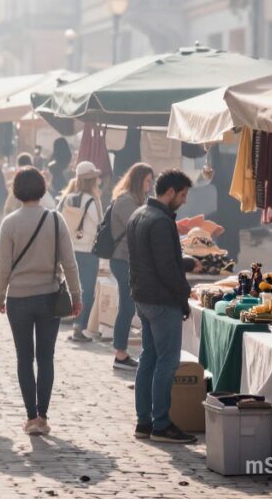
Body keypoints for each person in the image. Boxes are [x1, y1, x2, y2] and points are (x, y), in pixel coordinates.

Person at [0, 167, 82, 435]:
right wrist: (77, 295)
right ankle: (42, 415)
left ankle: (30, 416)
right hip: (49, 296)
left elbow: (3, 267)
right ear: (42, 188)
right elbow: (69, 263)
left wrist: (0, 294)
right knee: (46, 357)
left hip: (18, 298)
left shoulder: (9, 223)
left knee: (24, 357)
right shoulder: (56, 220)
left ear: (16, 190)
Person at [127, 169, 196, 444]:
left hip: (142, 298)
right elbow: (167, 269)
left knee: (149, 358)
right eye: (182, 194)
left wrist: (186, 264)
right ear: (170, 193)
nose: (184, 200)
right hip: (160, 299)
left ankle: (144, 421)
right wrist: (184, 297)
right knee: (166, 362)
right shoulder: (160, 221)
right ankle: (161, 423)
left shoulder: (139, 214)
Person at [107, 163, 155, 372]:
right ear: (138, 180)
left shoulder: (137, 200)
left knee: (129, 305)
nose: (150, 184)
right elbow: (140, 226)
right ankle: (120, 353)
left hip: (130, 259)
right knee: (127, 306)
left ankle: (122, 352)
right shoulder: (126, 201)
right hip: (122, 259)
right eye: (147, 180)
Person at [59, 162, 103, 343]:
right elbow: (99, 223)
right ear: (92, 180)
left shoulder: (68, 198)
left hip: (70, 250)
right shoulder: (92, 201)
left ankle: (71, 320)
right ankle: (79, 327)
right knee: (86, 290)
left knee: (73, 289)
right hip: (88, 251)